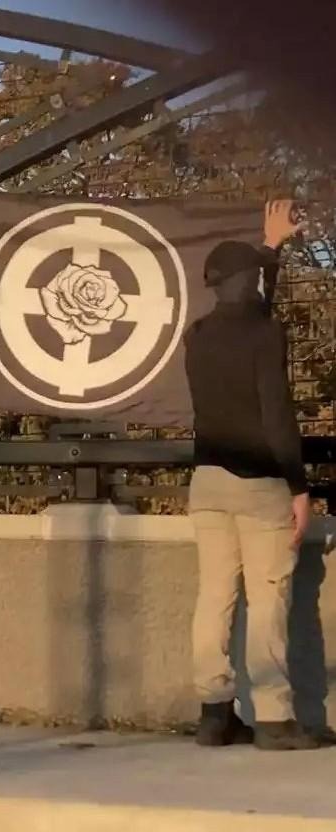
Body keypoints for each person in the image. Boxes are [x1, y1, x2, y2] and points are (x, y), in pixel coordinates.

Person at [185, 200, 319, 751]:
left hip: (207, 483)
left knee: (213, 597)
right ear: (250, 282)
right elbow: (277, 417)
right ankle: (276, 720)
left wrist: (269, 248)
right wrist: (300, 486)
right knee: (268, 600)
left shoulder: (196, 334)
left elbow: (251, 305)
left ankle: (215, 714)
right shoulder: (267, 335)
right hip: (261, 483)